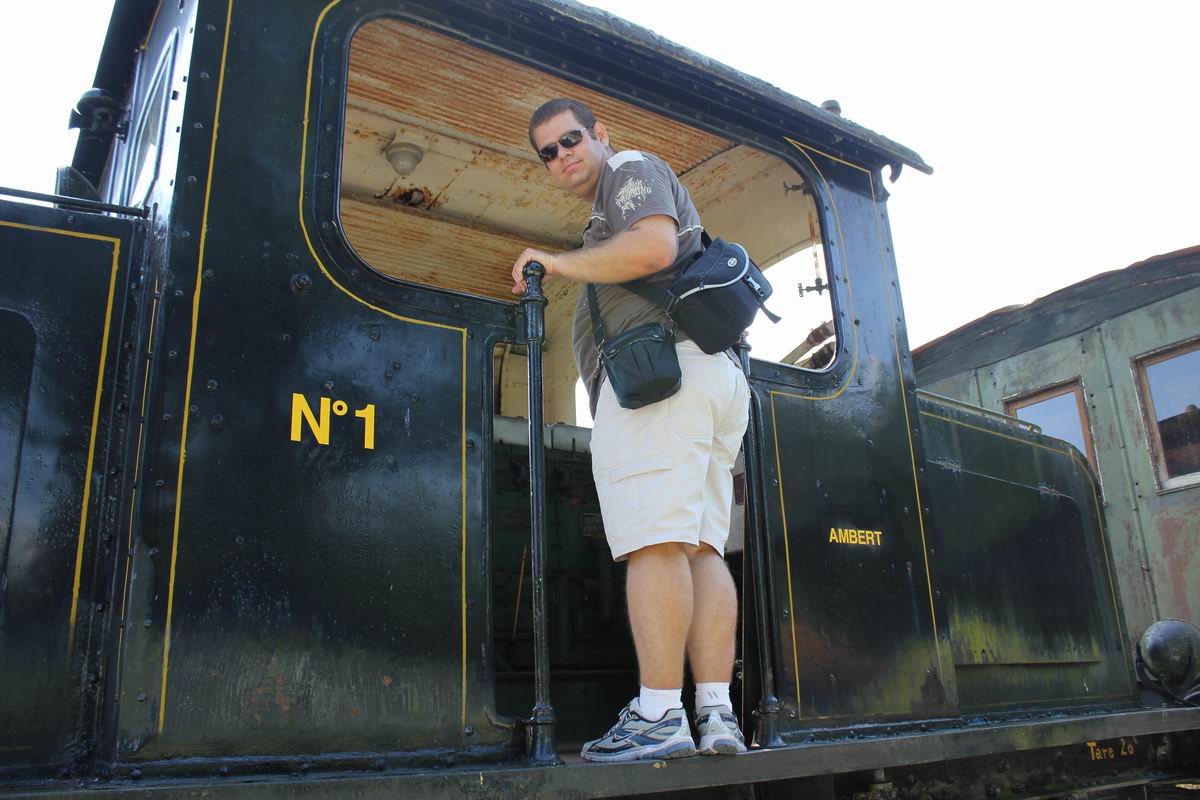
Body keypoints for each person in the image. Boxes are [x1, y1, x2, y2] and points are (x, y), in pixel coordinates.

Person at [510, 98, 750, 762]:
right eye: (548, 152)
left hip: (659, 382)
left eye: (570, 140)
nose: (562, 156)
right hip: (702, 379)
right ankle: (716, 713)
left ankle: (659, 715)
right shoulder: (608, 204)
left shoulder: (629, 169)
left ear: (601, 134)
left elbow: (652, 246)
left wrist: (555, 263)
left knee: (656, 543)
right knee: (700, 547)